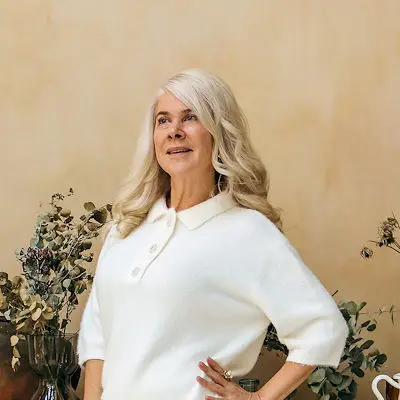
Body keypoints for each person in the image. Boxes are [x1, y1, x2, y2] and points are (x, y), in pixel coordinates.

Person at [77, 68, 348, 400]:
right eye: (163, 120)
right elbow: (98, 336)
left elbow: (323, 327)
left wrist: (260, 398)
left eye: (190, 117)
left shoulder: (247, 233)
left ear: (219, 132)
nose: (174, 131)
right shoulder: (126, 227)